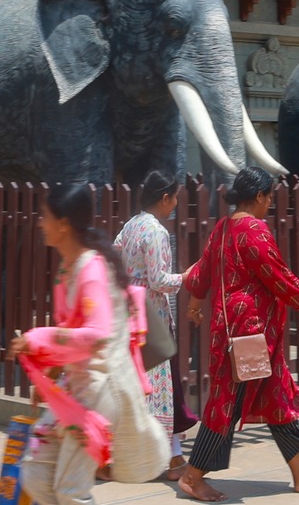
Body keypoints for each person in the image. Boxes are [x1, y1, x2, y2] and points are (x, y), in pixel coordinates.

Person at [176, 166, 299, 503]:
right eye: (269, 196)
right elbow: (276, 275)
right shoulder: (254, 231)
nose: (270, 203)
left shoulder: (223, 228)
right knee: (227, 404)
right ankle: (193, 478)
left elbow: (203, 271)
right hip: (248, 334)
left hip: (231, 331)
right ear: (258, 196)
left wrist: (195, 306)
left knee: (274, 397)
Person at [12, 183, 167, 503]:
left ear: (64, 224)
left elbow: (97, 334)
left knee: (70, 491)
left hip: (96, 393)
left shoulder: (91, 269)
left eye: (45, 216)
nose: (41, 223)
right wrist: (51, 373)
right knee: (36, 473)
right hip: (76, 388)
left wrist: (37, 337)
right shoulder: (69, 266)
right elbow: (74, 331)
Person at [116, 170, 188, 479]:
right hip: (154, 317)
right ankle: (169, 458)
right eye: (174, 199)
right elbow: (160, 280)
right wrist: (187, 276)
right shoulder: (156, 231)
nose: (174, 205)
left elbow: (117, 258)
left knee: (139, 385)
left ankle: (170, 456)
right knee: (161, 387)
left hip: (130, 315)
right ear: (164, 198)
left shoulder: (130, 226)